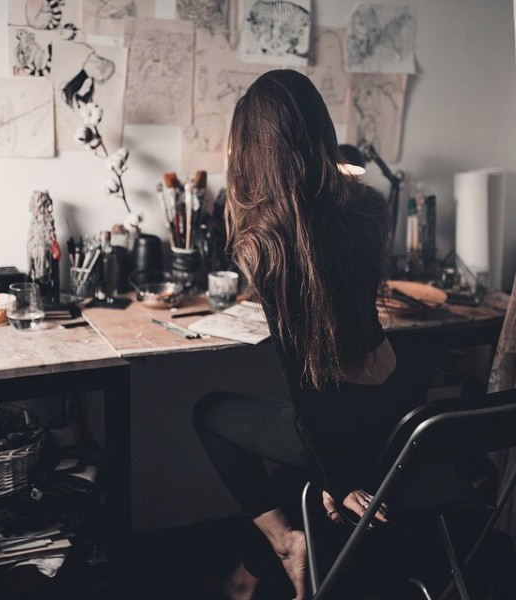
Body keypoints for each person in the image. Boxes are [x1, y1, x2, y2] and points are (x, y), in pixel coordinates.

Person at [192, 69, 422, 599]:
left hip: (337, 414)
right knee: (289, 456)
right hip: (395, 401)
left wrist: (335, 478)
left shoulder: (268, 242)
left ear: (251, 151)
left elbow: (306, 378)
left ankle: (282, 543)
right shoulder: (368, 209)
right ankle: (247, 577)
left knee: (208, 413)